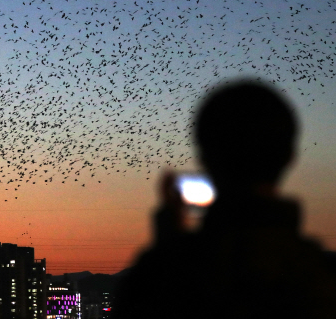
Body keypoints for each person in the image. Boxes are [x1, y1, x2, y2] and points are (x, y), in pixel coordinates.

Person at [113, 80, 336, 318]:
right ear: (290, 157)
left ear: (204, 157)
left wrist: (167, 248)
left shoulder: (162, 278)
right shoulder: (322, 274)